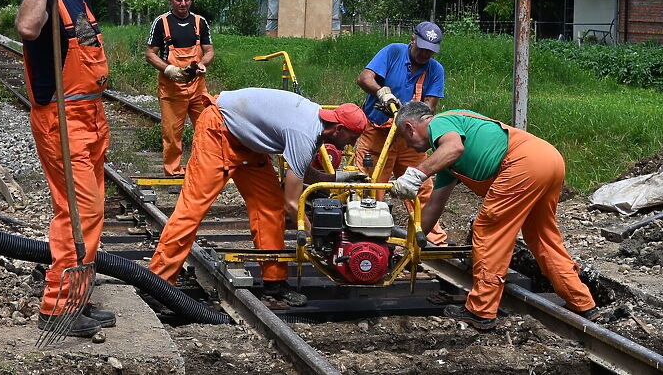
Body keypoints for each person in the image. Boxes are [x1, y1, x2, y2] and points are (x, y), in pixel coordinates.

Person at [149, 88, 369, 306]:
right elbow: (292, 204)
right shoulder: (305, 133)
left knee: (270, 208)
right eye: (353, 137)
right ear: (339, 129)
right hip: (218, 129)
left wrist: (338, 177)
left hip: (248, 143)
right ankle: (158, 284)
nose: (352, 145)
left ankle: (275, 283)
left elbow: (302, 170)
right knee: (191, 210)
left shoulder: (319, 125)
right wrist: (318, 238)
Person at [391, 101, 600, 330]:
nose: (409, 146)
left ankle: (481, 311)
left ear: (410, 127)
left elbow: (454, 148)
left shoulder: (441, 123)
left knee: (488, 230)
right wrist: (409, 243)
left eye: (404, 137)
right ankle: (582, 303)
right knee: (541, 236)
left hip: (522, 163)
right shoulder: (446, 162)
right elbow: (433, 207)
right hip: (549, 160)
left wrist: (416, 174)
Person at [16, 0, 116, 338]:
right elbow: (25, 27)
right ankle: (57, 309)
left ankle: (77, 296)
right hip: (63, 120)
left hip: (89, 117)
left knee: (92, 214)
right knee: (77, 213)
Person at [355, 21, 448, 245]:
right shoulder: (393, 52)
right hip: (378, 133)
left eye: (431, 51)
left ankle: (433, 241)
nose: (425, 54)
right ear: (413, 39)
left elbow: (430, 106)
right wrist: (382, 93)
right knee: (370, 188)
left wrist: (409, 115)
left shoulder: (435, 70)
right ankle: (366, 239)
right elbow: (364, 78)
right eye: (423, 47)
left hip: (411, 139)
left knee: (421, 189)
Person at [145, 0, 214, 179]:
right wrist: (168, 69)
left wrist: (202, 63)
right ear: (171, 0)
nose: (182, 3)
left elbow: (209, 51)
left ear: (191, 0)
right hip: (172, 89)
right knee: (172, 133)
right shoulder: (162, 22)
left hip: (197, 88)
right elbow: (150, 54)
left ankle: (204, 168)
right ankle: (174, 171)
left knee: (207, 128)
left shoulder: (200, 22)